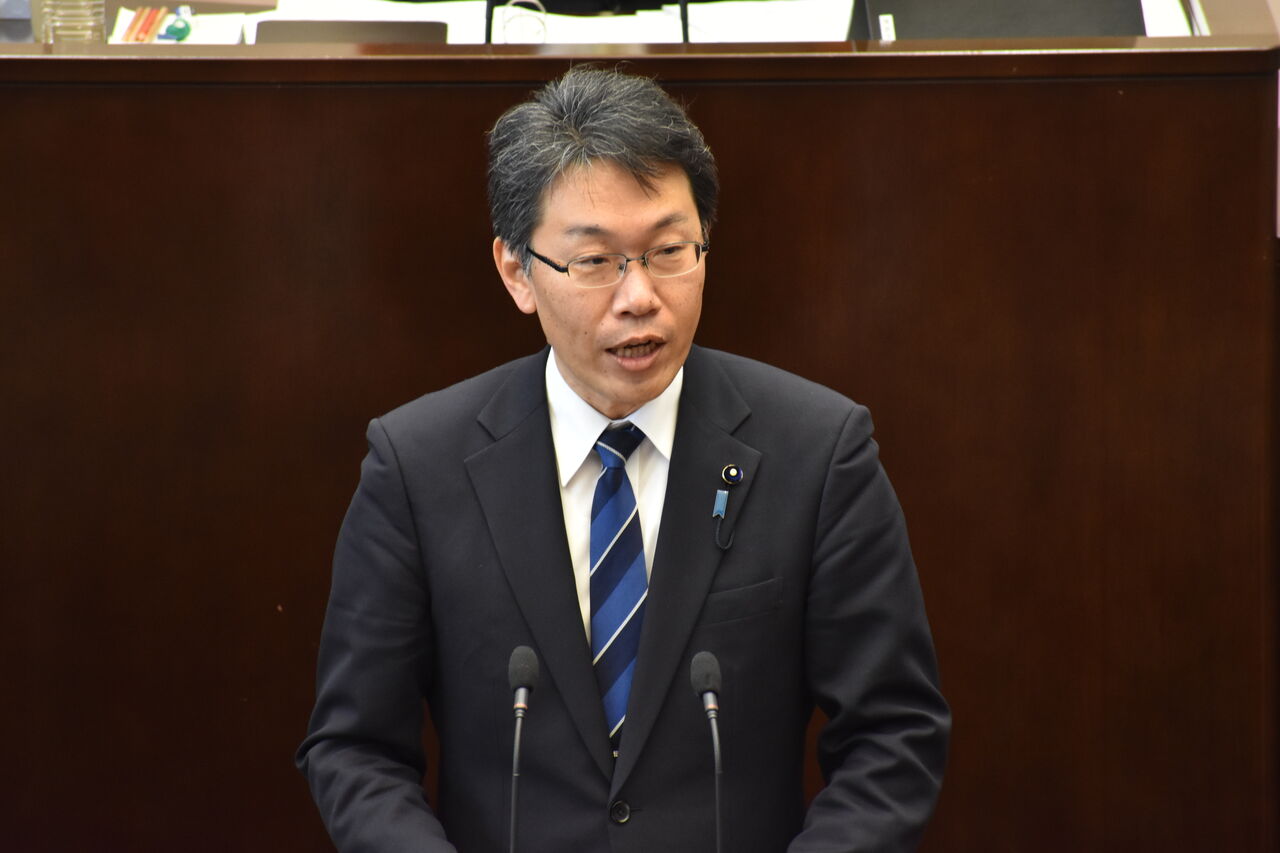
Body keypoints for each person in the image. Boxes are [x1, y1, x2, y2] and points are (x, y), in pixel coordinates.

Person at [296, 66, 950, 853]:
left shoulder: (818, 452)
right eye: (596, 261)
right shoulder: (417, 466)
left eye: (669, 250)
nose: (639, 296)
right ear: (518, 272)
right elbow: (355, 748)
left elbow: (893, 735)